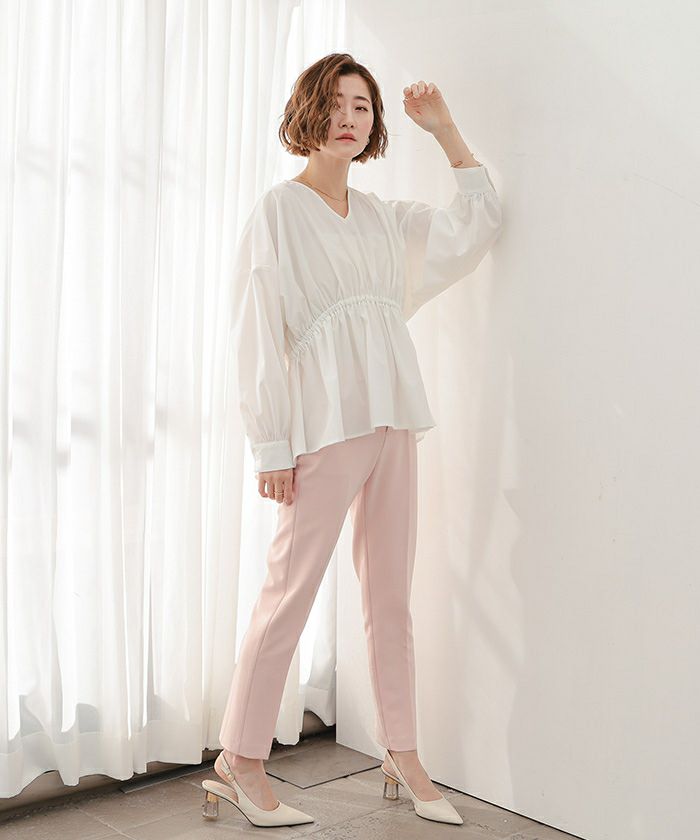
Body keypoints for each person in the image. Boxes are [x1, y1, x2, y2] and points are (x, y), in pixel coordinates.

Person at [201, 52, 503, 828]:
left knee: (390, 598)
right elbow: (253, 333)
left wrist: (445, 131)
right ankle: (239, 759)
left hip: (392, 418)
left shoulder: (381, 218)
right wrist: (270, 447)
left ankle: (402, 752)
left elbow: (477, 223)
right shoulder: (278, 212)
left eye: (362, 106)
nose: (348, 117)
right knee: (289, 593)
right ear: (308, 111)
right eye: (335, 103)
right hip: (324, 428)